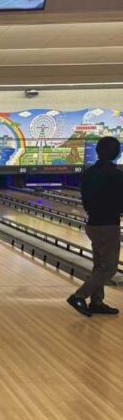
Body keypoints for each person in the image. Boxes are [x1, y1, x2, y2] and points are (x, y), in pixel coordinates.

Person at [67, 135, 123, 317]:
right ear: (117, 153)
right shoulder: (117, 175)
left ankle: (97, 302)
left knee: (99, 266)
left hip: (93, 224)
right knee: (109, 268)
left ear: (97, 152)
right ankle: (79, 296)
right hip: (108, 226)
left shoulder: (88, 173)